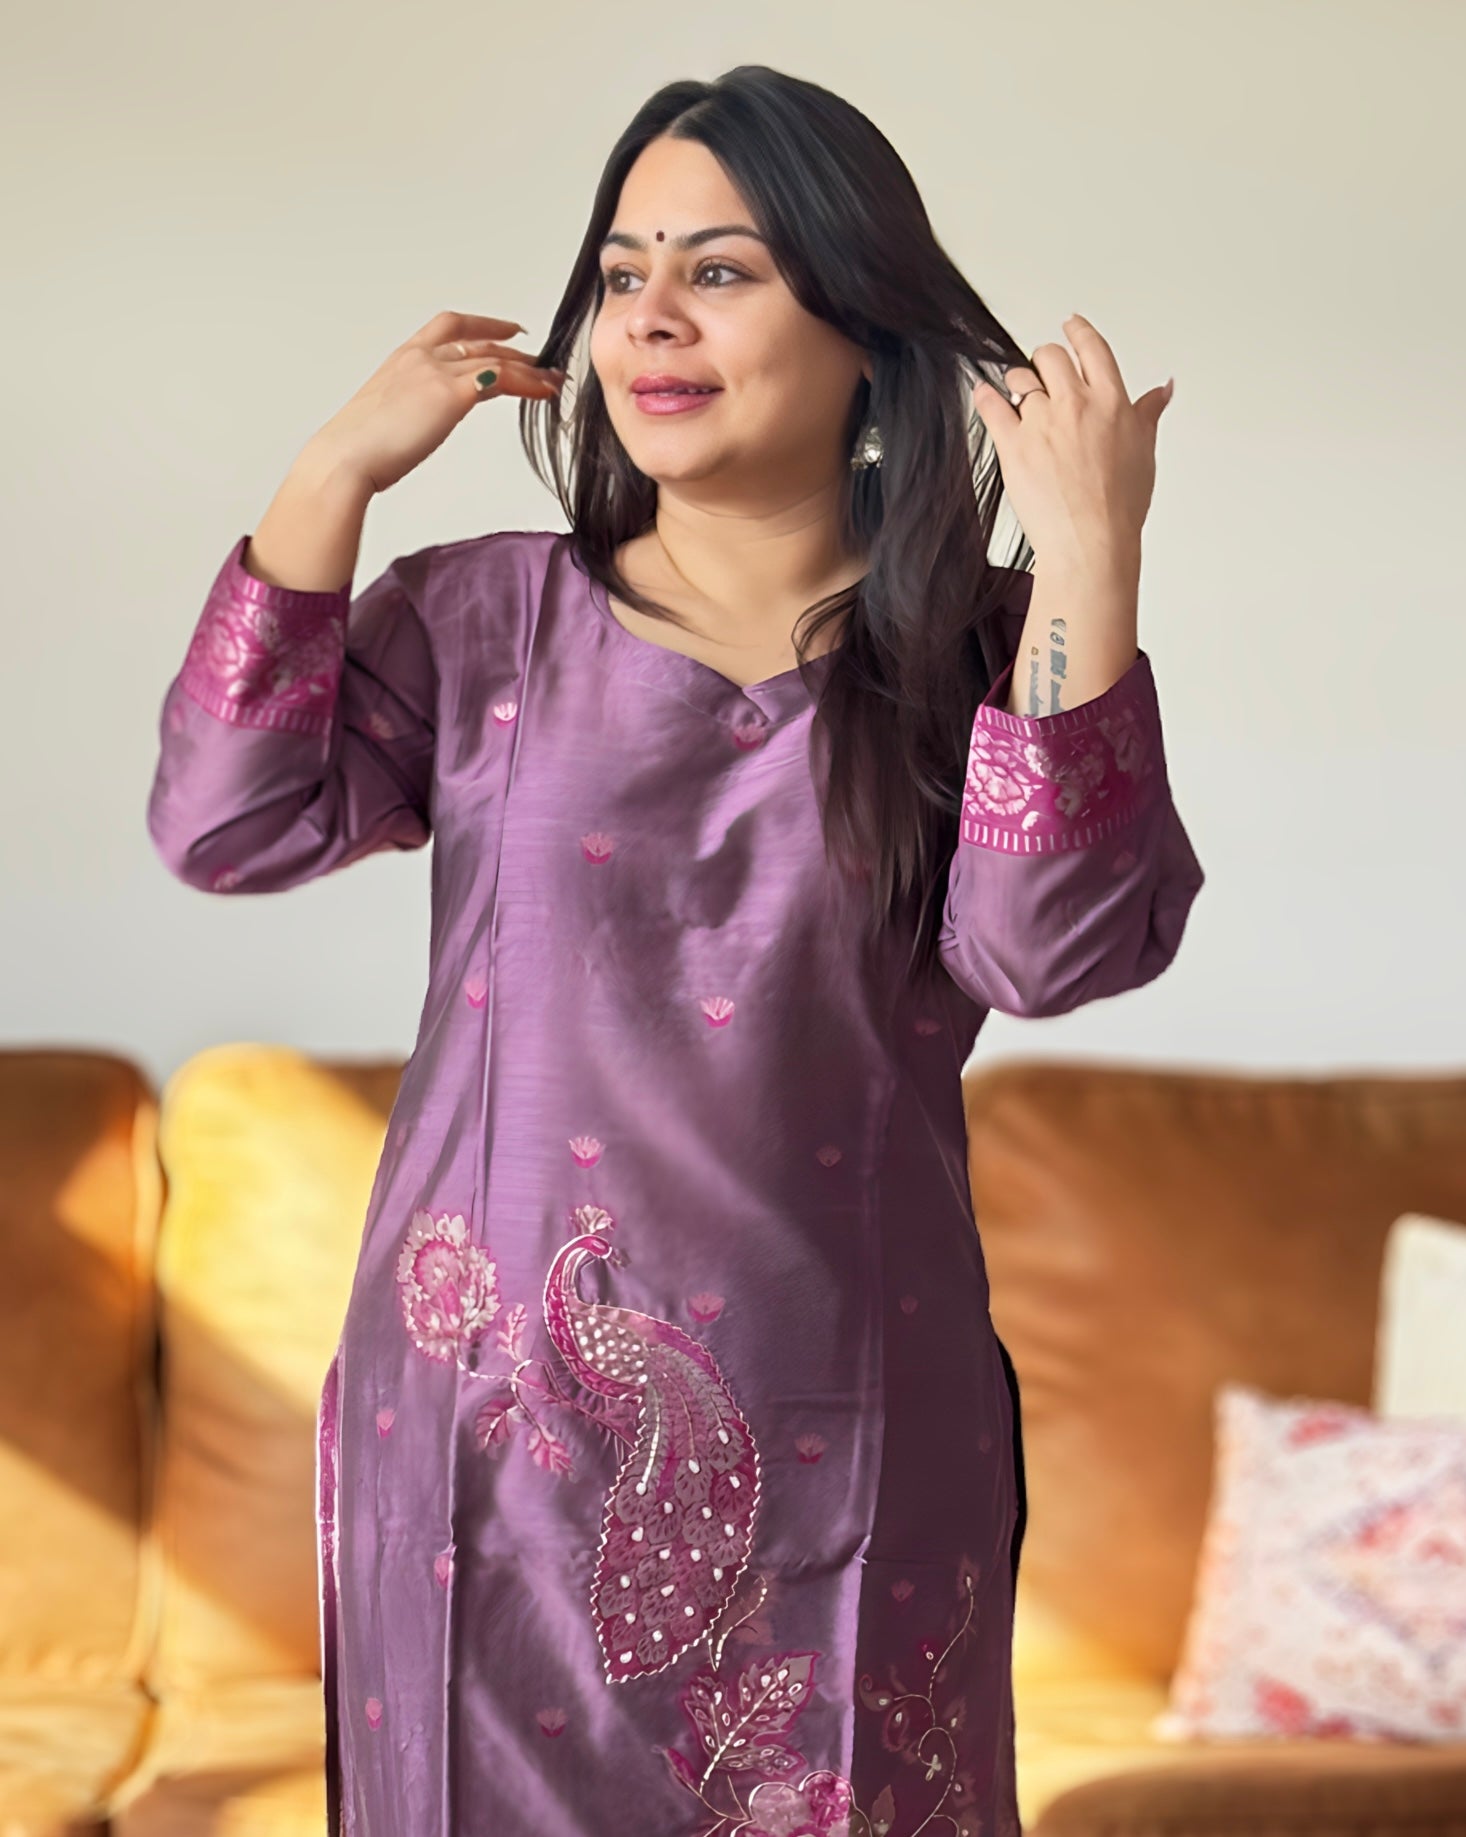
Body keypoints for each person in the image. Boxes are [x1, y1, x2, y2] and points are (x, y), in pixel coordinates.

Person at [147, 63, 1200, 1837]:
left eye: (719, 269)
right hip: (491, 1422)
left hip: (861, 1400)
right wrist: (332, 470)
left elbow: (1044, 948)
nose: (649, 313)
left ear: (866, 325)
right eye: (623, 268)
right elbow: (226, 822)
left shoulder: (981, 649)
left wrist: (1093, 552)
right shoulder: (482, 616)